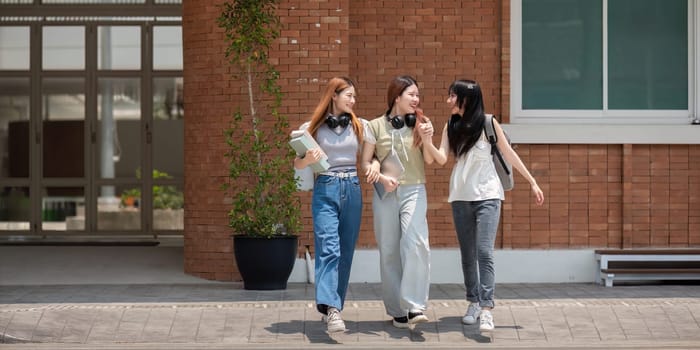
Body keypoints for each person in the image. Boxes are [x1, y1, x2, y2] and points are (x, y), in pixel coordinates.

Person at [420, 79, 544, 332]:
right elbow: (441, 159)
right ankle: (473, 302)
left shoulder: (488, 123)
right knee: (467, 255)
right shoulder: (451, 125)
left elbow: (509, 153)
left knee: (484, 252)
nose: (448, 101)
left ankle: (487, 308)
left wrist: (532, 181)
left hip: (488, 194)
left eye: (452, 96)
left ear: (466, 98)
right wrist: (426, 140)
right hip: (460, 196)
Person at [293, 77, 367, 333]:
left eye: (354, 97)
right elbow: (298, 164)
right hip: (326, 187)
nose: (353, 101)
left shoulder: (360, 126)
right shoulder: (313, 127)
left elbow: (371, 159)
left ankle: (332, 306)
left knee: (345, 251)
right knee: (329, 248)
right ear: (334, 95)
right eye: (349, 95)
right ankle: (333, 310)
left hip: (353, 189)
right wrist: (308, 159)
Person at [361, 75, 435, 329]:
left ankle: (415, 306)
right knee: (389, 250)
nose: (416, 99)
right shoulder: (375, 126)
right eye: (411, 94)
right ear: (397, 97)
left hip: (414, 189)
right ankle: (397, 310)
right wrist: (380, 177)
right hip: (386, 192)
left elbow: (429, 160)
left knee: (416, 242)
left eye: (417, 95)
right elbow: (366, 161)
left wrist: (427, 138)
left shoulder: (421, 123)